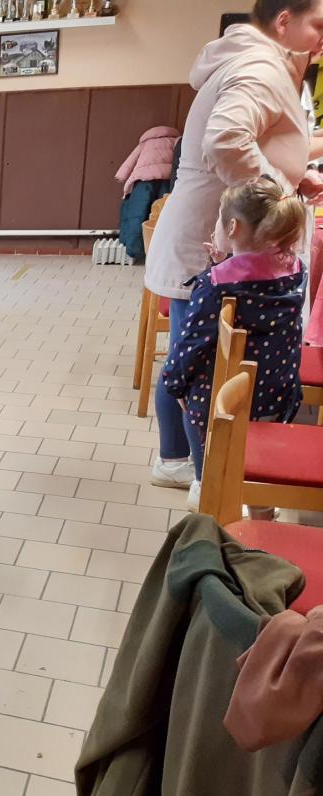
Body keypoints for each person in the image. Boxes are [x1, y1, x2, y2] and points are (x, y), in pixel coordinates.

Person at [145, 0, 323, 492]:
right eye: (318, 25)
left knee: (193, 354)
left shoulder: (254, 60)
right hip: (218, 238)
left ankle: (180, 462)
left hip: (219, 233)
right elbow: (226, 141)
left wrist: (293, 177)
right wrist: (278, 195)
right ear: (284, 21)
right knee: (199, 362)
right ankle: (198, 473)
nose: (322, 38)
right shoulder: (260, 67)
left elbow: (260, 142)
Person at [160, 177, 307, 509]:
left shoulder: (215, 284)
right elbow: (254, 283)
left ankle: (207, 485)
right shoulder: (295, 269)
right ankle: (260, 501)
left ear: (232, 227)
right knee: (257, 451)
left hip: (224, 400)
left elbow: (191, 344)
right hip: (277, 391)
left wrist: (174, 384)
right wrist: (224, 263)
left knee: (187, 393)